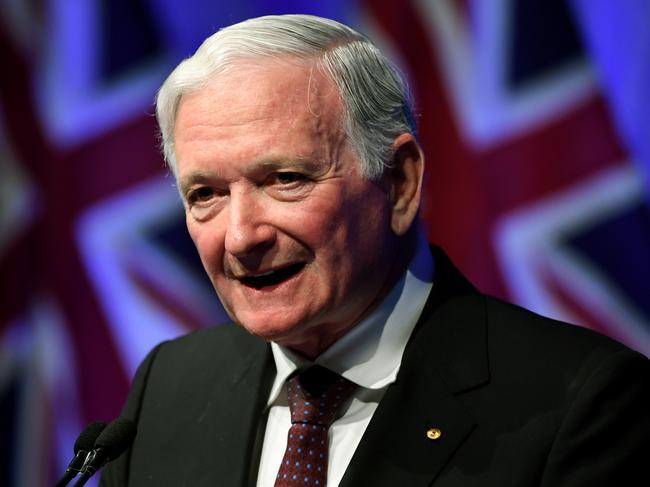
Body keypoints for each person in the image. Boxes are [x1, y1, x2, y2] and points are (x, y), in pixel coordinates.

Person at [100, 14, 650, 487]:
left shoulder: (579, 403)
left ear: (400, 183)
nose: (242, 237)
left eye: (285, 179)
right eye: (206, 195)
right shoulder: (167, 390)